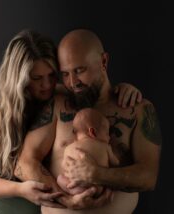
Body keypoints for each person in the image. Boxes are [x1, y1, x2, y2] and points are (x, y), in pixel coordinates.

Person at [0, 29, 144, 214]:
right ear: (18, 78)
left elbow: (95, 93)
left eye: (51, 75)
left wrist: (121, 90)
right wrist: (20, 190)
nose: (46, 85)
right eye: (36, 78)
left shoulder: (59, 95)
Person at [14, 29, 161, 214]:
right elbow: (24, 163)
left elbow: (148, 177)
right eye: (65, 74)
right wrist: (68, 200)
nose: (72, 82)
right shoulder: (57, 104)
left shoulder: (137, 109)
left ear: (104, 62)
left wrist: (96, 174)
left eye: (79, 70)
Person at [57, 108, 119, 199]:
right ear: (92, 132)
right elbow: (115, 163)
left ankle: (71, 191)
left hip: (75, 185)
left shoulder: (69, 148)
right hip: (96, 188)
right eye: (107, 133)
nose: (109, 137)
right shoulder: (106, 147)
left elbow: (64, 166)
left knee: (60, 178)